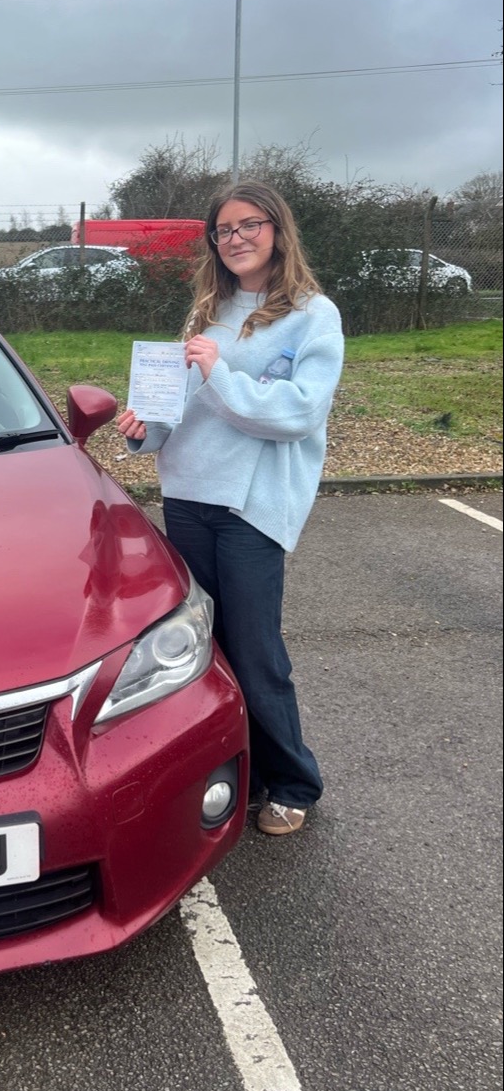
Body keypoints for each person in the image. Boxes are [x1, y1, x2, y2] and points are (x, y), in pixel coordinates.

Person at [117, 180, 344, 836]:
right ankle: (234, 771)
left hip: (251, 508)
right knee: (200, 647)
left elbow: (298, 414)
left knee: (253, 650)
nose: (236, 238)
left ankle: (293, 781)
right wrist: (144, 430)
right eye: (223, 230)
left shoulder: (312, 315)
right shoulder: (207, 312)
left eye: (249, 225)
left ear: (277, 230)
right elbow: (177, 407)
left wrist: (219, 370)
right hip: (188, 495)